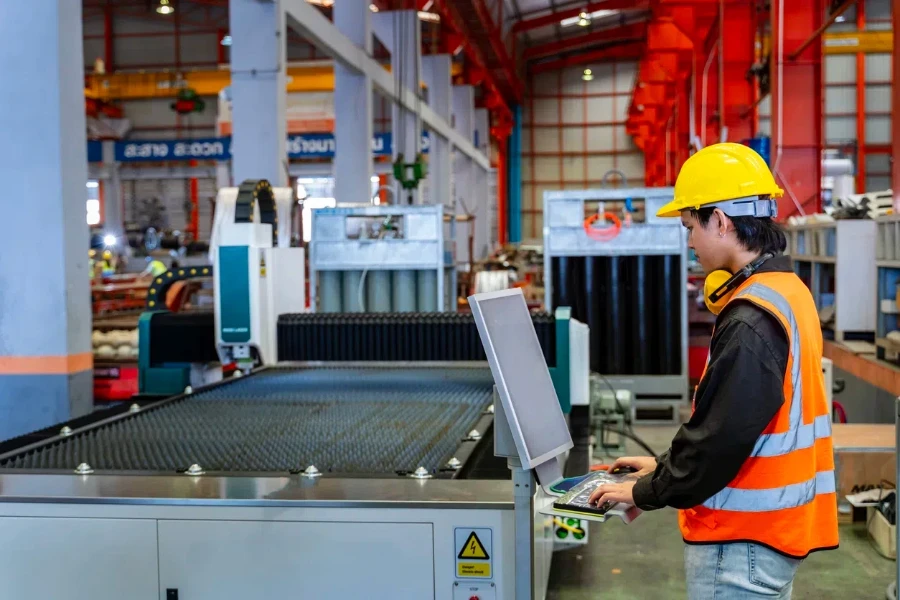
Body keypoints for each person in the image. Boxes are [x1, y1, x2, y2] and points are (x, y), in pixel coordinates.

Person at [588, 143, 838, 599]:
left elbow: (722, 437)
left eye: (690, 227)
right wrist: (663, 468)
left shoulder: (751, 318)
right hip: (773, 531)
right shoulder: (789, 292)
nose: (689, 242)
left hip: (740, 542)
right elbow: (741, 424)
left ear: (720, 221)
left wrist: (646, 491)